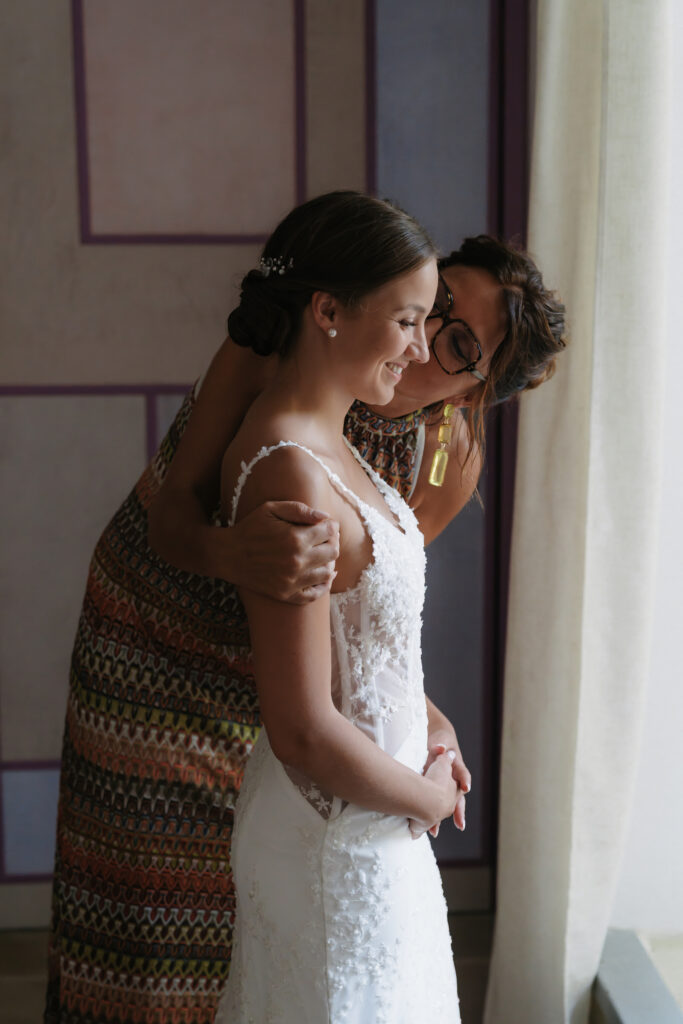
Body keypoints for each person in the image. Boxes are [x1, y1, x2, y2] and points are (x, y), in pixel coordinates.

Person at [45, 195, 565, 1023]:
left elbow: (369, 625)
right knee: (146, 933)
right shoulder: (282, 353)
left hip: (280, 685)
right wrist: (234, 552)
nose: (426, 338)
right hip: (157, 647)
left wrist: (428, 724)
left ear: (474, 392)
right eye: (431, 308)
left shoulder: (443, 458)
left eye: (458, 345)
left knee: (255, 930)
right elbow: (174, 515)